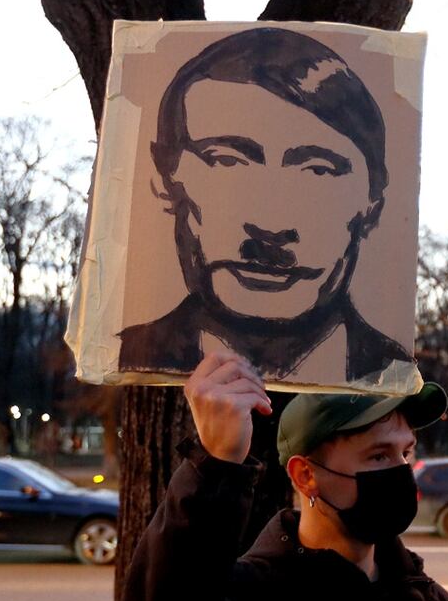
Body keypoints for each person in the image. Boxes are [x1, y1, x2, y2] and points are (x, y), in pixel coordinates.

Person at [117, 351, 448, 601]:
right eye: (378, 456)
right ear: (305, 475)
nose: (400, 470)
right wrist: (216, 464)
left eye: (406, 452)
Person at [118, 27, 414, 383]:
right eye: (227, 161)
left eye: (318, 171)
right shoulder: (124, 354)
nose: (271, 225)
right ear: (164, 180)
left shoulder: (396, 376)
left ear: (373, 203)